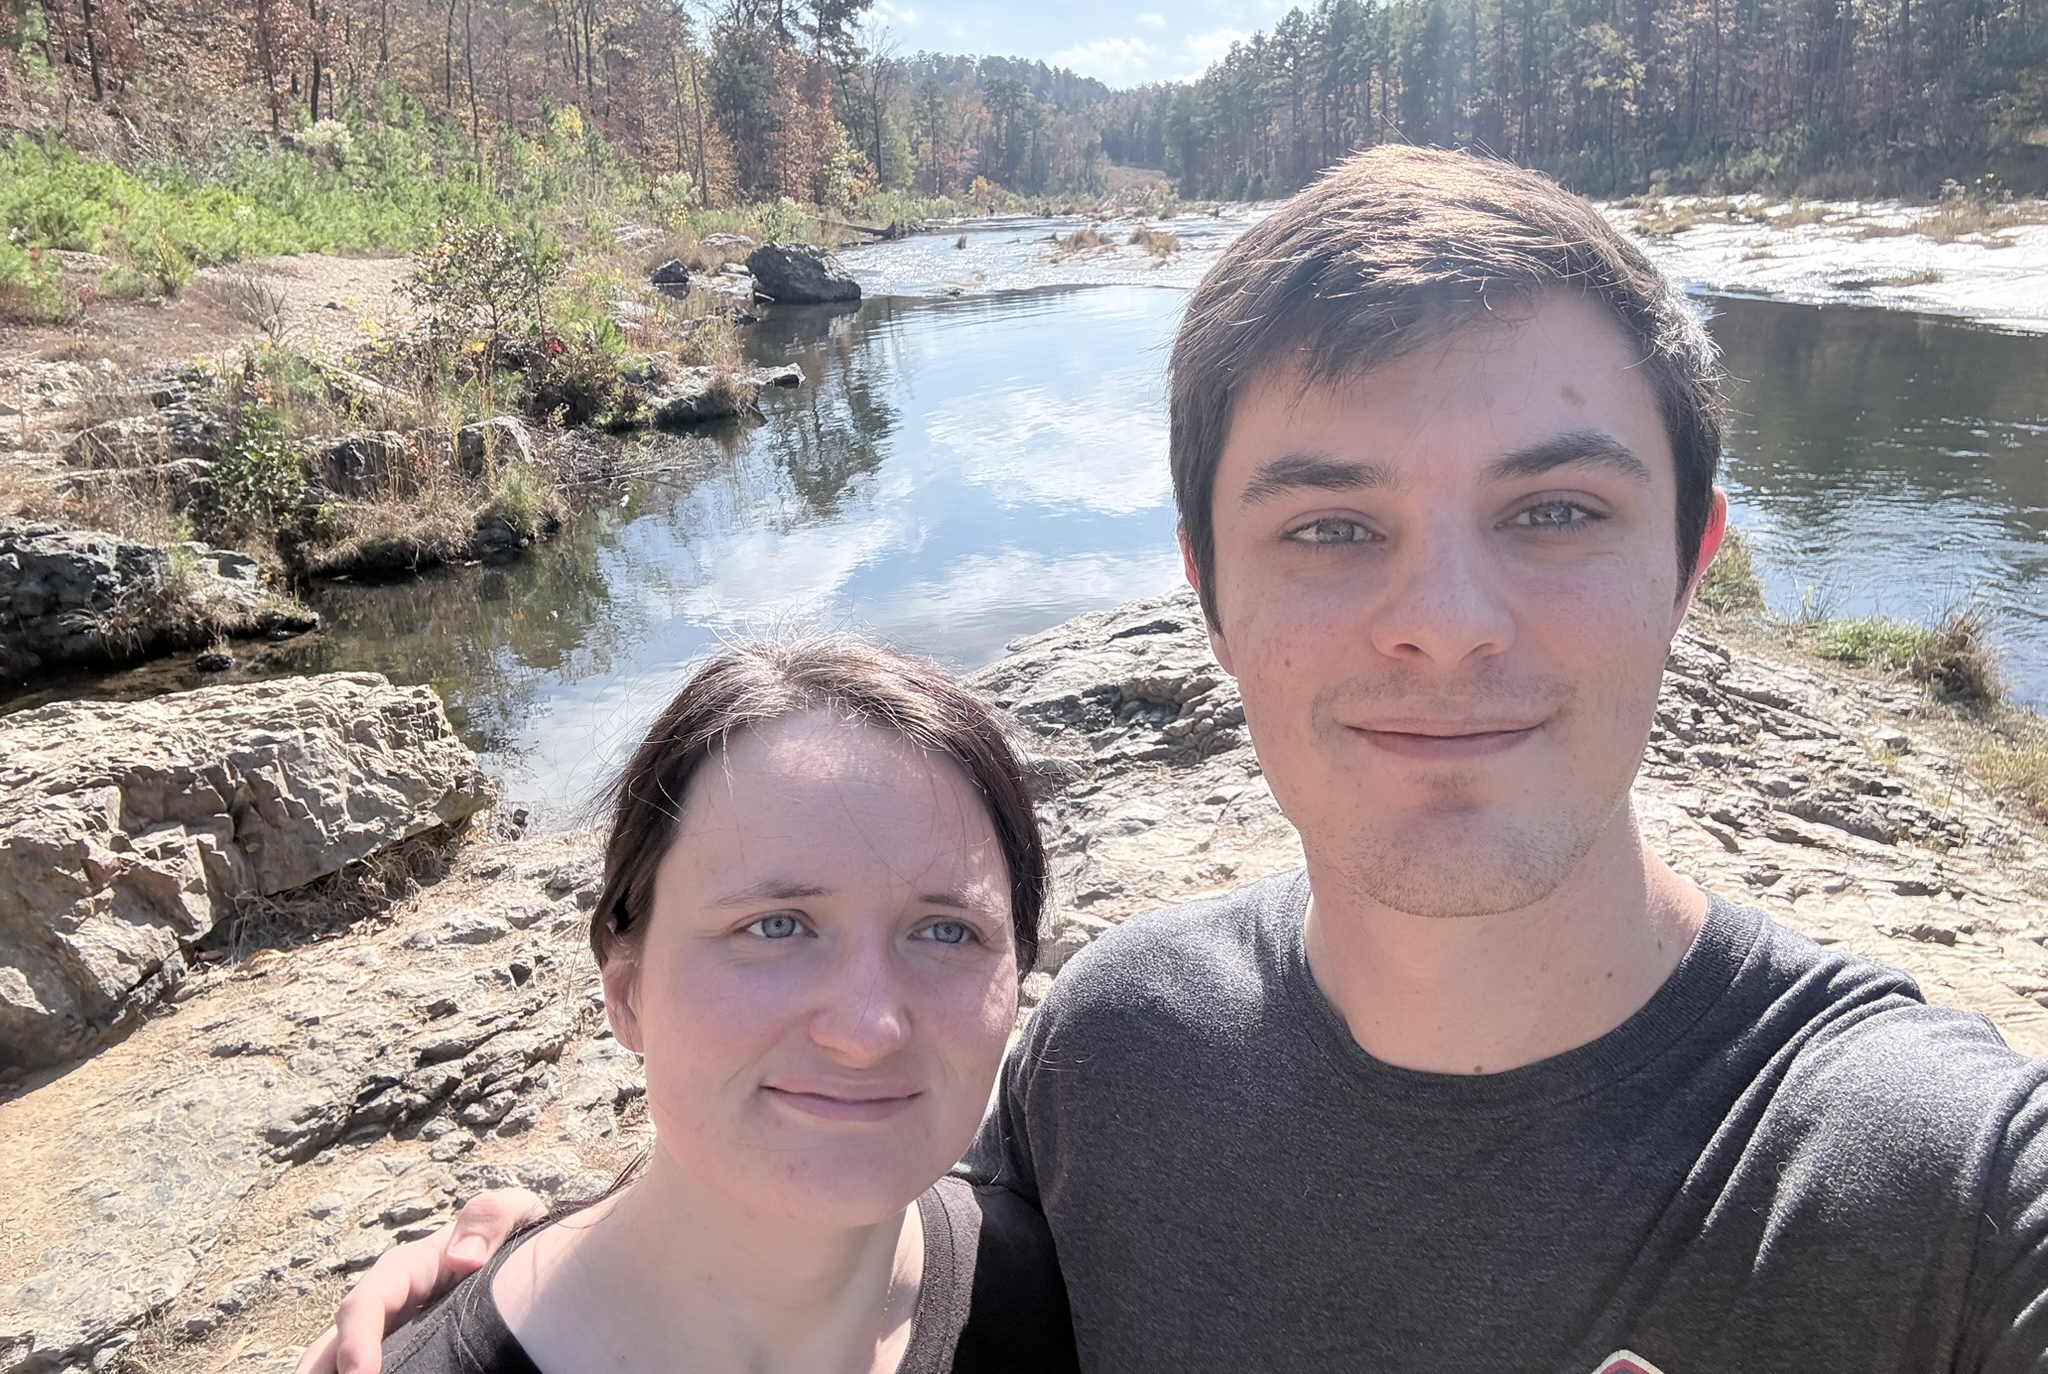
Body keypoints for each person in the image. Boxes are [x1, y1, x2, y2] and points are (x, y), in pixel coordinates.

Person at [306, 147, 2048, 1372]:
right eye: (1326, 528)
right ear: (1206, 593)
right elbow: (834, 1225)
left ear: (1692, 566)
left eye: (1553, 510)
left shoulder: (1953, 1180)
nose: (1440, 622)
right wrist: (516, 1291)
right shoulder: (1113, 1061)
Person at [301, 637, 1078, 1374]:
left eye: (947, 931)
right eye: (774, 926)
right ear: (626, 987)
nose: (867, 1030)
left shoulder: (1070, 1296)